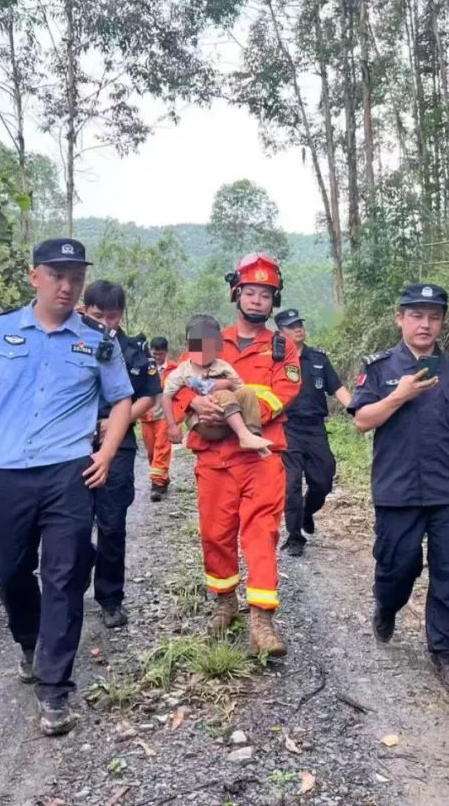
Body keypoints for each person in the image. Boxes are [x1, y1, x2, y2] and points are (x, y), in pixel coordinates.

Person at [0, 238, 134, 736]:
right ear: (34, 276)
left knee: (64, 575)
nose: (66, 285)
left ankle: (55, 687)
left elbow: (122, 400)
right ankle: (28, 639)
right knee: (12, 569)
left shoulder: (98, 340)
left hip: (69, 474)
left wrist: (105, 452)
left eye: (75, 277)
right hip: (9, 474)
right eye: (57, 275)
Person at [348, 283, 449, 695]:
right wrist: (399, 395)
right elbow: (362, 420)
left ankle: (448, 656)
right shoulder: (378, 369)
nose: (425, 324)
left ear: (442, 322)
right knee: (399, 567)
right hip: (397, 491)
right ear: (400, 318)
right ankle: (387, 604)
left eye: (434, 317)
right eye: (416, 315)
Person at [171, 253, 300, 656]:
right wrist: (196, 406)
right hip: (214, 459)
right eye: (251, 292)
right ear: (236, 293)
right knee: (215, 533)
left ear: (273, 300)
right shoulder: (210, 336)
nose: (258, 300)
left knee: (261, 534)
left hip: (261, 456)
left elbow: (282, 395)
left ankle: (262, 618)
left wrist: (229, 408)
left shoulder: (282, 347)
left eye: (266, 294)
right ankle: (224, 601)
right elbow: (178, 384)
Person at [80, 280, 161, 629]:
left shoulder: (132, 350)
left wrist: (116, 421)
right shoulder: (70, 343)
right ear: (85, 311)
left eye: (112, 317)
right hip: (70, 445)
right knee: (73, 523)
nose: (106, 324)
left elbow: (149, 395)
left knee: (112, 522)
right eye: (98, 316)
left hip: (119, 446)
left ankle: (110, 597)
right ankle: (75, 576)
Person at [274, 308, 352, 557]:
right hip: (288, 428)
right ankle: (295, 536)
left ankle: (308, 511)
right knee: (291, 485)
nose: (298, 329)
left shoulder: (318, 358)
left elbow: (337, 388)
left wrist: (358, 409)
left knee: (323, 480)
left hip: (315, 428)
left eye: (300, 324)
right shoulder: (274, 360)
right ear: (280, 332)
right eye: (291, 326)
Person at [163, 315, 274, 456]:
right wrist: (172, 426)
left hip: (228, 419)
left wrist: (227, 383)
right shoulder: (182, 371)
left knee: (248, 391)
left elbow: (240, 388)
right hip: (205, 423)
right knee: (223, 393)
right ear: (188, 346)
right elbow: (166, 396)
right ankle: (244, 435)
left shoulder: (222, 366)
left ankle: (253, 434)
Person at [140, 337, 176, 501]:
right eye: (154, 354)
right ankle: (162, 478)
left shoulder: (173, 370)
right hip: (146, 416)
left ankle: (157, 485)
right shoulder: (143, 367)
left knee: (162, 449)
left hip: (164, 416)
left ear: (166, 353)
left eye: (160, 355)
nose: (157, 357)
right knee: (151, 452)